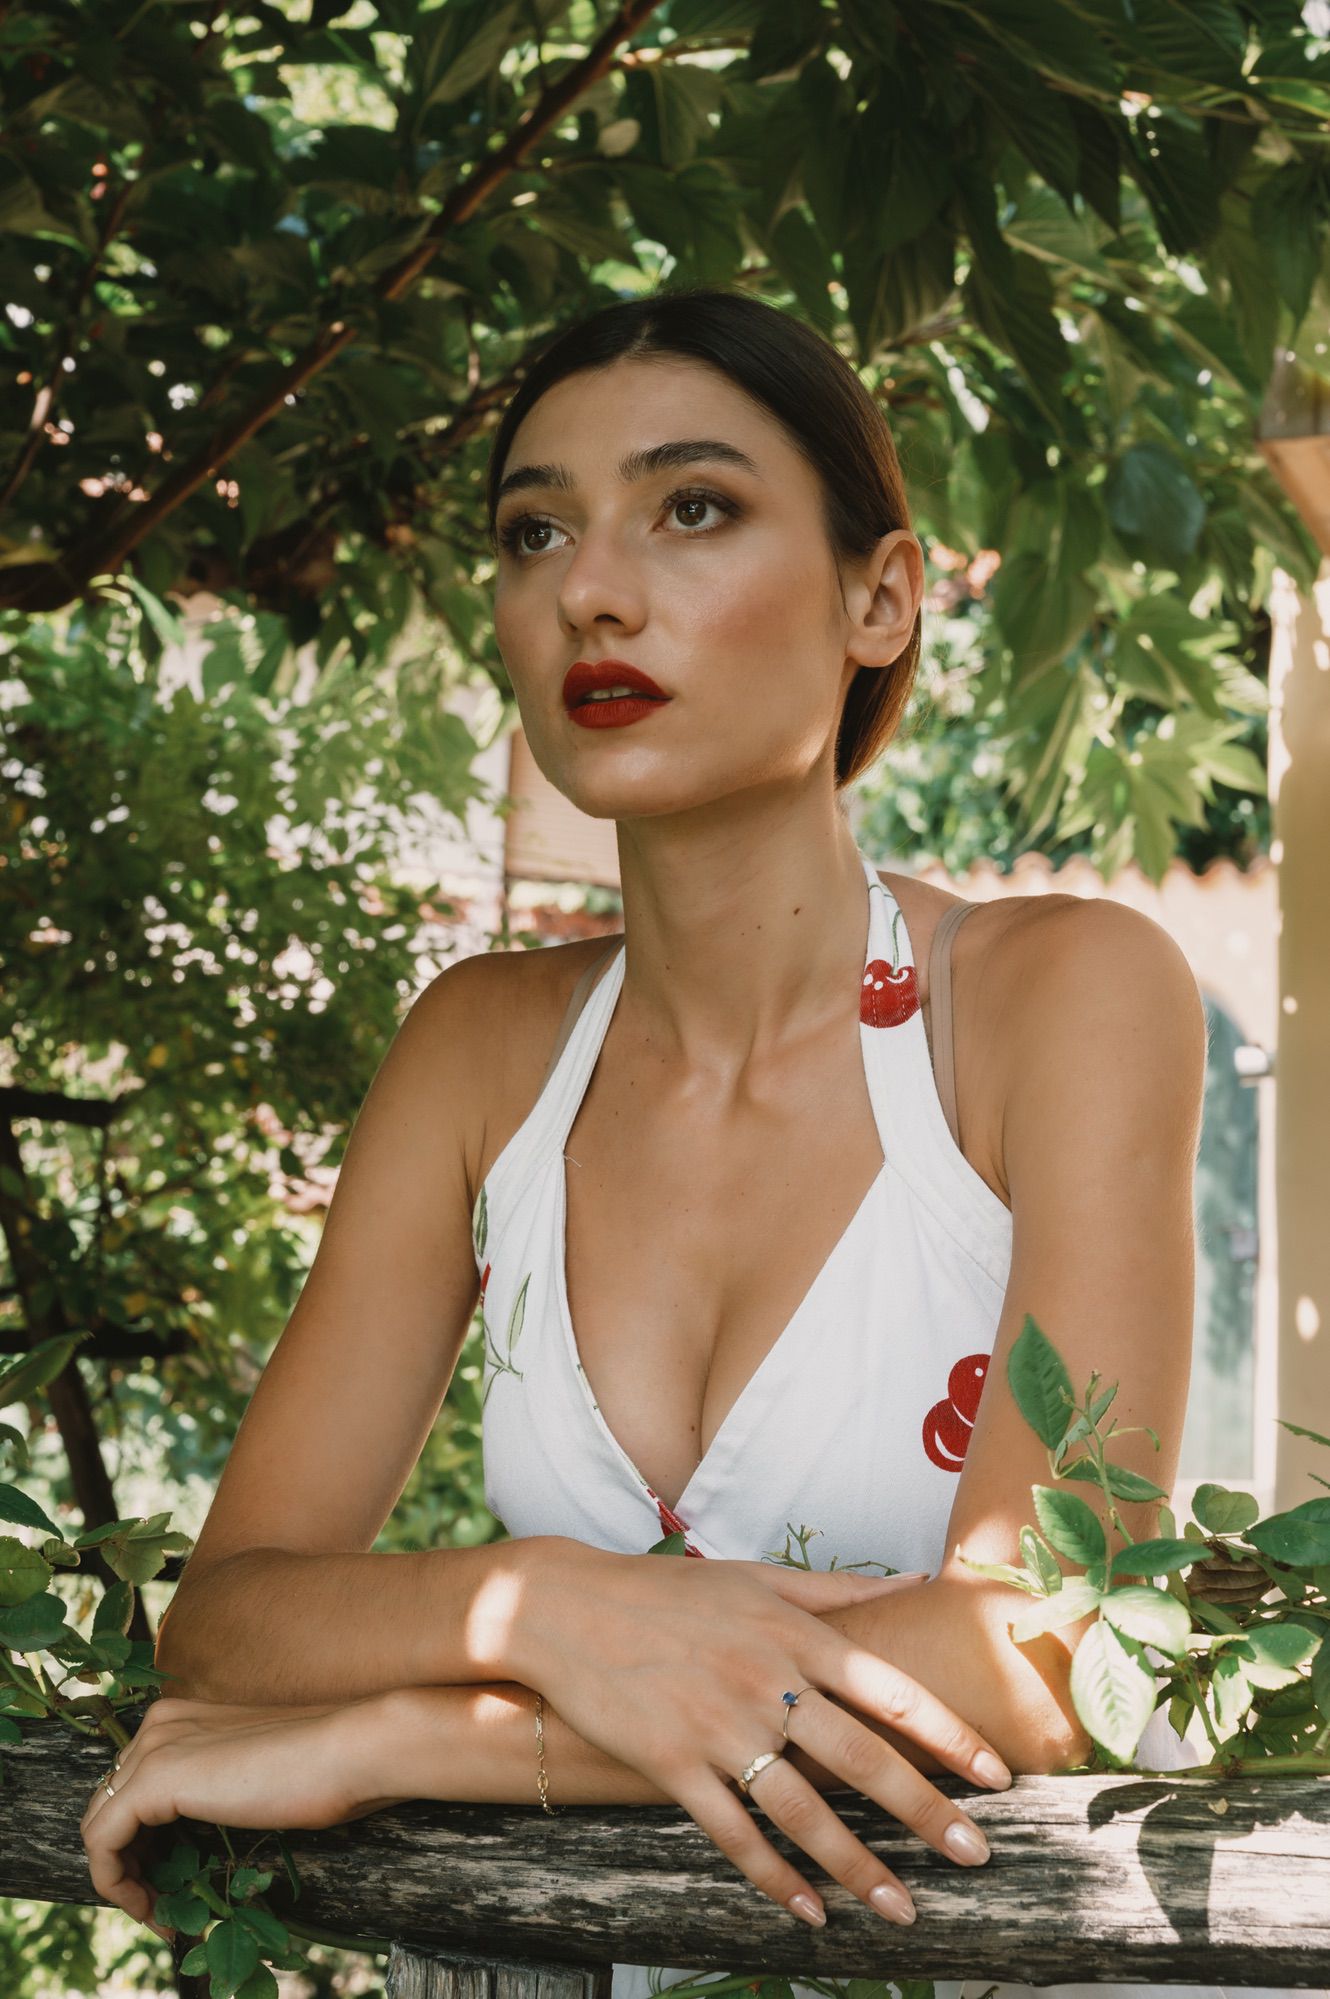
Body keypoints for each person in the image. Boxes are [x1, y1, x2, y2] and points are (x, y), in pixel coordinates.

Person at [83, 284, 1242, 1999]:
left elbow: (1050, 1650)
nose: (591, 591)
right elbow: (231, 1619)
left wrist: (406, 1732)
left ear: (880, 597)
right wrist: (550, 1605)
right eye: (533, 530)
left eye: (692, 508)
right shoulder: (482, 1049)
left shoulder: (1051, 996)